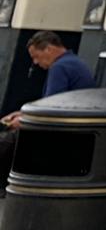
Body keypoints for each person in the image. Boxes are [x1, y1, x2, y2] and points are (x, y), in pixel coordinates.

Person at [0, 33, 95, 176]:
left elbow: (50, 108)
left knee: (6, 142)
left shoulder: (59, 68)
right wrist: (23, 113)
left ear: (49, 49)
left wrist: (23, 120)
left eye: (36, 56)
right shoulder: (75, 62)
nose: (36, 62)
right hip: (79, 125)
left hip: (63, 130)